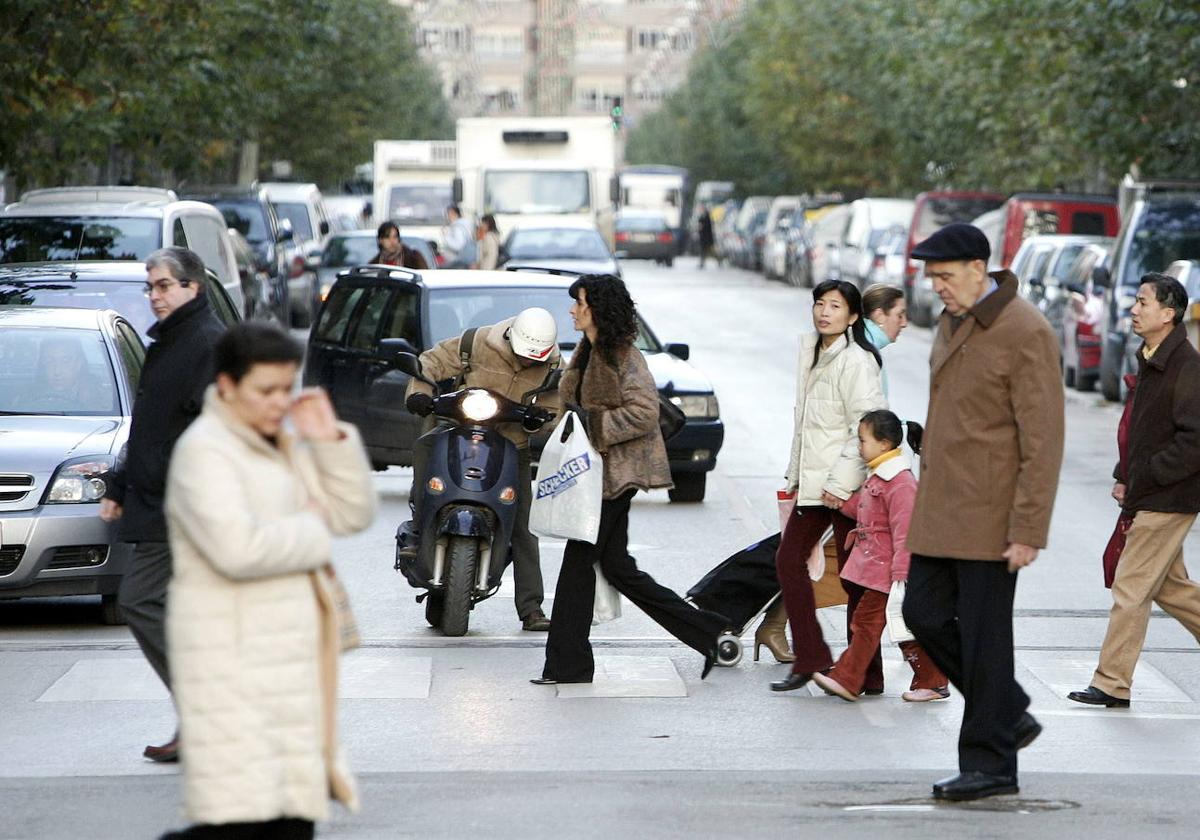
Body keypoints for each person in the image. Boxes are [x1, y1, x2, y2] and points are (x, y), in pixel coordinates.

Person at [160, 323, 375, 839]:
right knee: (240, 822)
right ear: (228, 385)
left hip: (286, 662)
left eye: (287, 388)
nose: (280, 402)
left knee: (289, 819)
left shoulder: (276, 441)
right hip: (232, 662)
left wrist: (328, 440)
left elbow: (352, 515)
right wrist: (311, 530)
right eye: (266, 390)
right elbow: (238, 549)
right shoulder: (204, 451)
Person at [902, 223, 1064, 802]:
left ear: (978, 267)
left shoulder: (1025, 331)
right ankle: (1008, 711)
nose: (936, 287)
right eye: (932, 278)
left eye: (944, 276)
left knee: (986, 638)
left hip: (993, 517)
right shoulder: (956, 319)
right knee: (922, 613)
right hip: (943, 509)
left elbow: (1043, 440)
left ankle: (991, 764)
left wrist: (1027, 529)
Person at [535, 274, 729, 684]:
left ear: (597, 309)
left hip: (616, 475)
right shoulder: (588, 350)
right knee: (619, 568)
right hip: (597, 474)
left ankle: (568, 665)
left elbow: (644, 412)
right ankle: (708, 631)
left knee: (576, 566)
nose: (571, 309)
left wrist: (596, 423)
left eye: (579, 303)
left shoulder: (623, 354)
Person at [99, 246, 226, 764]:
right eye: (150, 287)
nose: (155, 296)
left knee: (140, 599)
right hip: (158, 499)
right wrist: (118, 484)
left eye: (165, 286)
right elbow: (148, 427)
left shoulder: (208, 344)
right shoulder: (169, 342)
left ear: (193, 287)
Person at [1069, 274, 1200, 709]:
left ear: (1169, 313)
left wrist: (1147, 476)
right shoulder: (1153, 357)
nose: (1133, 309)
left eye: (1143, 303)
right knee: (1170, 588)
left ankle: (1111, 682)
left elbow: (1193, 440)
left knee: (1130, 585)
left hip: (1169, 495)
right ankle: (1113, 681)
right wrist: (1124, 473)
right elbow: (1139, 429)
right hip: (1152, 490)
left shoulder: (1186, 366)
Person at [403, 308, 562, 632]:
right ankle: (419, 527)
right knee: (424, 447)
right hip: (457, 429)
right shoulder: (475, 342)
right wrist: (420, 394)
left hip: (510, 445)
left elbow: (554, 404)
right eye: (523, 356)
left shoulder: (555, 366)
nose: (527, 363)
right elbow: (430, 362)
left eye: (534, 360)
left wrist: (541, 417)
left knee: (524, 525)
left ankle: (531, 608)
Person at [770, 279, 886, 693]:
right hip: (815, 484)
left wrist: (840, 484)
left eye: (834, 306)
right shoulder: (814, 354)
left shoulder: (856, 361)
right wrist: (796, 478)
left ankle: (864, 672)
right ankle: (815, 657)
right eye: (819, 304)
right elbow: (809, 428)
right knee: (790, 561)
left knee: (855, 577)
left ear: (853, 316)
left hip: (844, 487)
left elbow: (867, 426)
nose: (824, 312)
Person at [810, 410, 950, 703]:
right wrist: (841, 503)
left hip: (886, 571)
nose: (859, 447)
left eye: (863, 440)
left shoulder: (900, 482)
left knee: (866, 625)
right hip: (875, 567)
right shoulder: (881, 476)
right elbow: (866, 509)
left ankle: (848, 679)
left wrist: (901, 573)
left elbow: (905, 531)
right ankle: (934, 680)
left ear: (884, 444)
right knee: (901, 627)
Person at [861, 284, 909, 397]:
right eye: (900, 315)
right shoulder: (865, 354)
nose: (904, 323)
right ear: (879, 316)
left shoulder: (864, 344)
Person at [442, 204, 477, 269]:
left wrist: (446, 236)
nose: (447, 217)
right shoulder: (466, 224)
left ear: (453, 213)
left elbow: (458, 246)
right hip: (468, 259)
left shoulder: (457, 227)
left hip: (458, 261)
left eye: (448, 214)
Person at [697, 205, 715, 269]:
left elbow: (707, 227)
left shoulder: (707, 216)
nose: (700, 210)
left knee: (712, 252)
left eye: (701, 209)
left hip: (707, 238)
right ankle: (702, 263)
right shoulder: (702, 216)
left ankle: (720, 260)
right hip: (703, 238)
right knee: (703, 251)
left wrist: (701, 226)